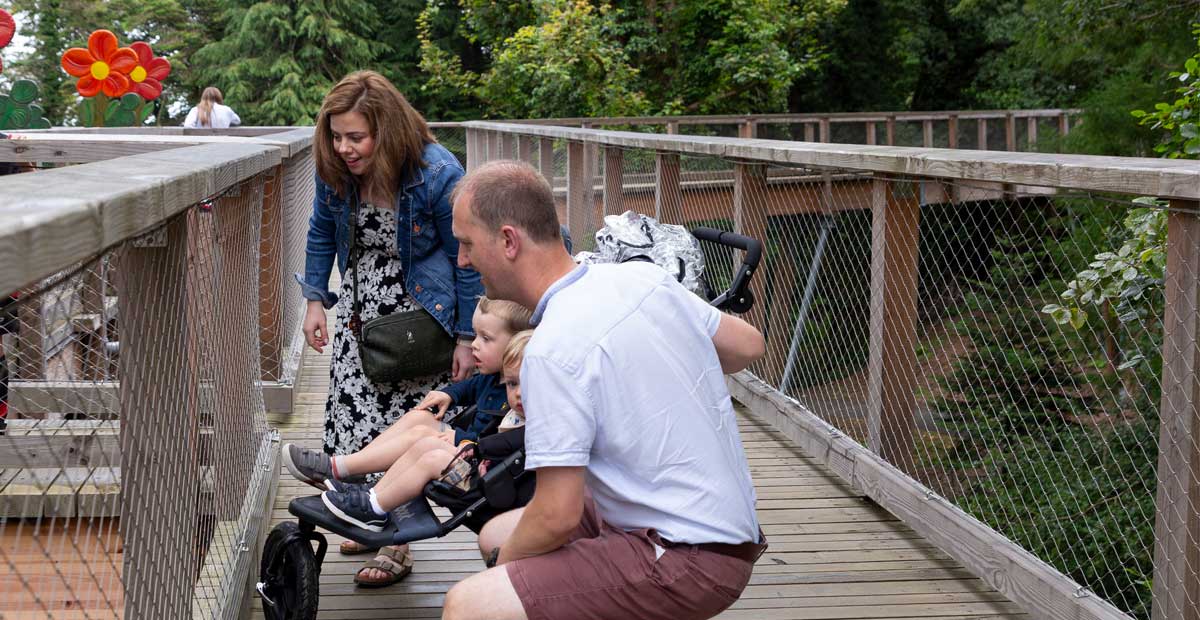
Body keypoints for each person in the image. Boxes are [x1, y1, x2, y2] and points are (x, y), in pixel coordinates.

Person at [441, 160, 768, 620]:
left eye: (466, 244)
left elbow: (558, 514)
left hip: (689, 555)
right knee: (495, 535)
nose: (462, 260)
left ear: (509, 241)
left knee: (470, 604)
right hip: (718, 522)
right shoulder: (638, 277)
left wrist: (503, 575)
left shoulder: (552, 350)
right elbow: (747, 346)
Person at [296, 70, 481, 587]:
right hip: (360, 308)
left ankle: (398, 544)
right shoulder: (336, 168)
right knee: (356, 417)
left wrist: (466, 337)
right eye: (336, 136)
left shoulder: (437, 172)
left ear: (388, 129)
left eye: (356, 137)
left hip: (419, 312)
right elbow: (320, 229)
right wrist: (315, 299)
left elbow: (463, 258)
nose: (344, 147)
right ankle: (371, 514)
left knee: (403, 419)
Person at [279, 296, 530, 497]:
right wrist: (448, 395)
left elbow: (499, 441)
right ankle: (346, 468)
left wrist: (461, 437)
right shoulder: (493, 376)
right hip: (463, 453)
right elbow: (471, 387)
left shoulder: (519, 394)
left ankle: (344, 472)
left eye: (486, 339)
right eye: (475, 335)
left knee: (422, 434)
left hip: (478, 471)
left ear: (515, 344)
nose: (474, 344)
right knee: (418, 418)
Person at [314, 322, 535, 532]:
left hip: (487, 485)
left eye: (526, 383)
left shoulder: (539, 422)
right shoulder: (515, 412)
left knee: (433, 458)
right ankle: (372, 496)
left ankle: (377, 507)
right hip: (483, 469)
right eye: (512, 384)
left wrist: (468, 443)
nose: (517, 392)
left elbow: (503, 444)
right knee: (426, 443)